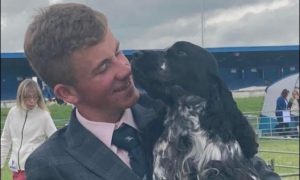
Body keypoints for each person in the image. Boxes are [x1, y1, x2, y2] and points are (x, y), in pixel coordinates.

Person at [23, 3, 165, 180]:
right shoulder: (50, 166)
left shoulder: (170, 114)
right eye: (103, 67)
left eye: (117, 52)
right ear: (67, 93)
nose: (125, 69)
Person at [1, 79, 57, 180]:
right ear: (20, 97)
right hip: (15, 170)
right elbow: (5, 140)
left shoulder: (44, 116)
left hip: (35, 170)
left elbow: (56, 141)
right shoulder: (12, 112)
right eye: (28, 98)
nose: (32, 101)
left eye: (35, 97)